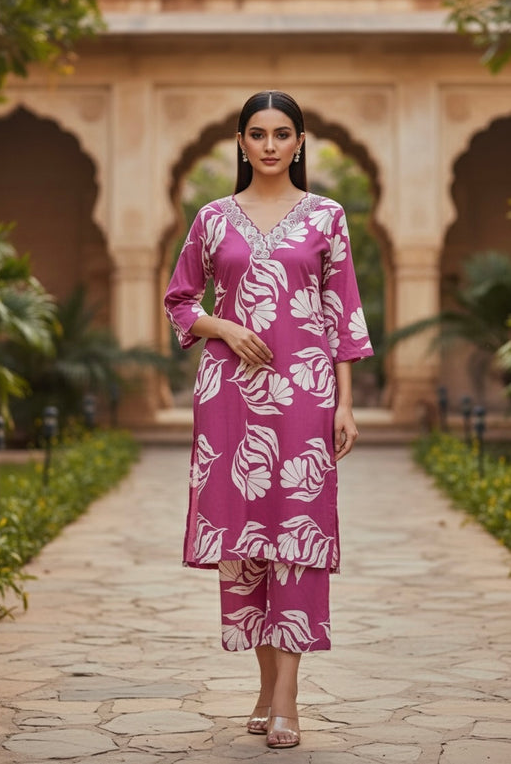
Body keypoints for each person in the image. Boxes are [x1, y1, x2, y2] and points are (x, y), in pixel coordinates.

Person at [164, 90, 373, 749]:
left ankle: (287, 696)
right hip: (229, 398)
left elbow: (342, 312)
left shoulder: (327, 217)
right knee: (247, 545)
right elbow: (179, 299)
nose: (270, 145)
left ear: (300, 142)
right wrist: (223, 325)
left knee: (298, 539)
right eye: (258, 134)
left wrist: (344, 402)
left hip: (305, 397)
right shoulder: (212, 219)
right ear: (241, 142)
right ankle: (265, 685)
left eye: (282, 134)